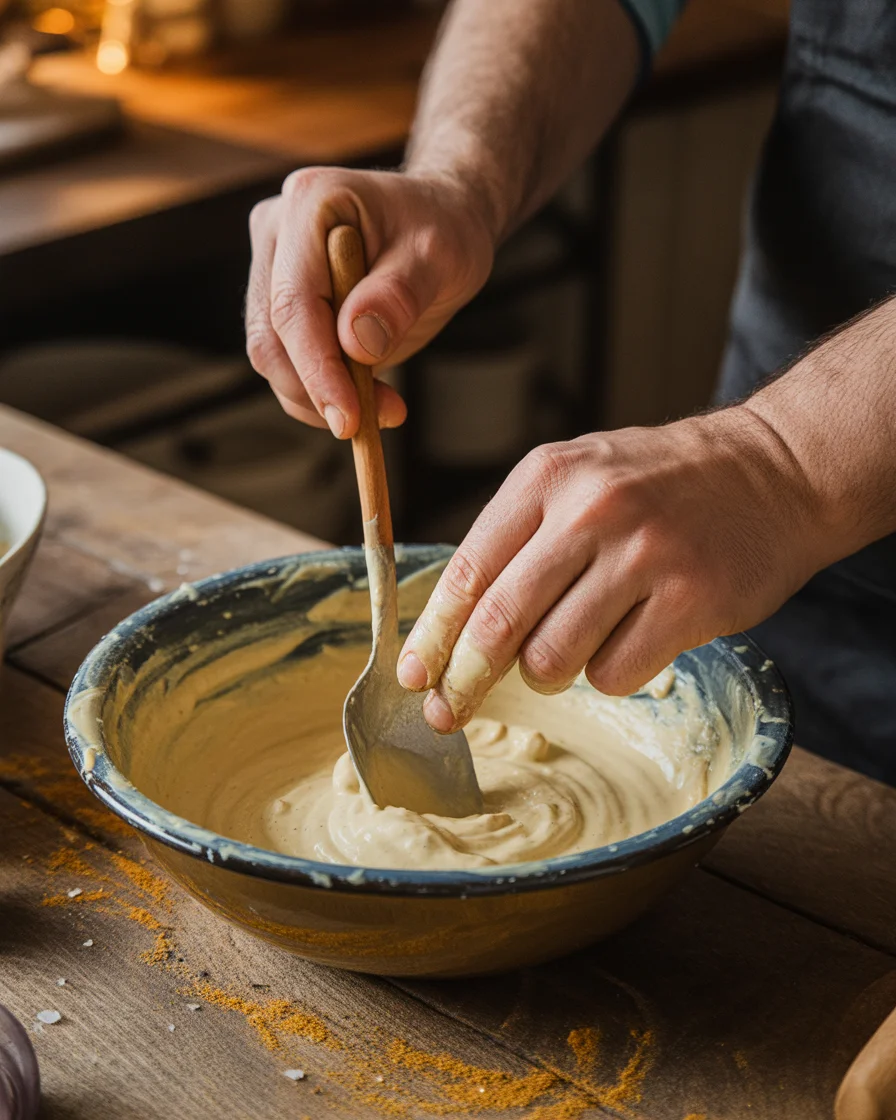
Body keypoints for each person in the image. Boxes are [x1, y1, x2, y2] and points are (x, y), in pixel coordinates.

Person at [244, 0, 896, 784]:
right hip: (757, 547)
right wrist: (461, 178)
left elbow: (778, 467)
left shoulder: (773, 467)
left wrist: (782, 462)